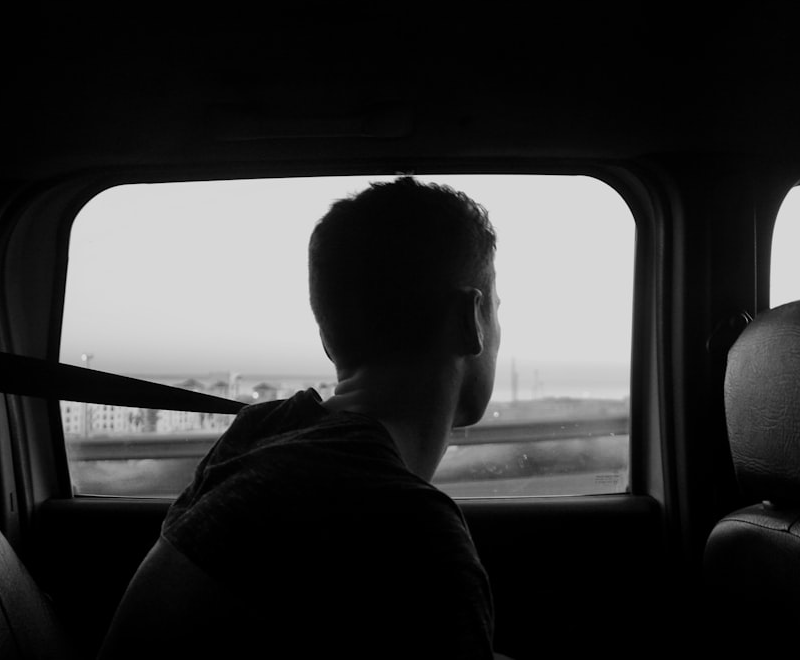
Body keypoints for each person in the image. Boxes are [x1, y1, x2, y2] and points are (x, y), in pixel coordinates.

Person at [98, 177, 504, 659]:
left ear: (329, 339)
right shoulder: (408, 530)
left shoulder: (264, 430)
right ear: (471, 319)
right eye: (498, 310)